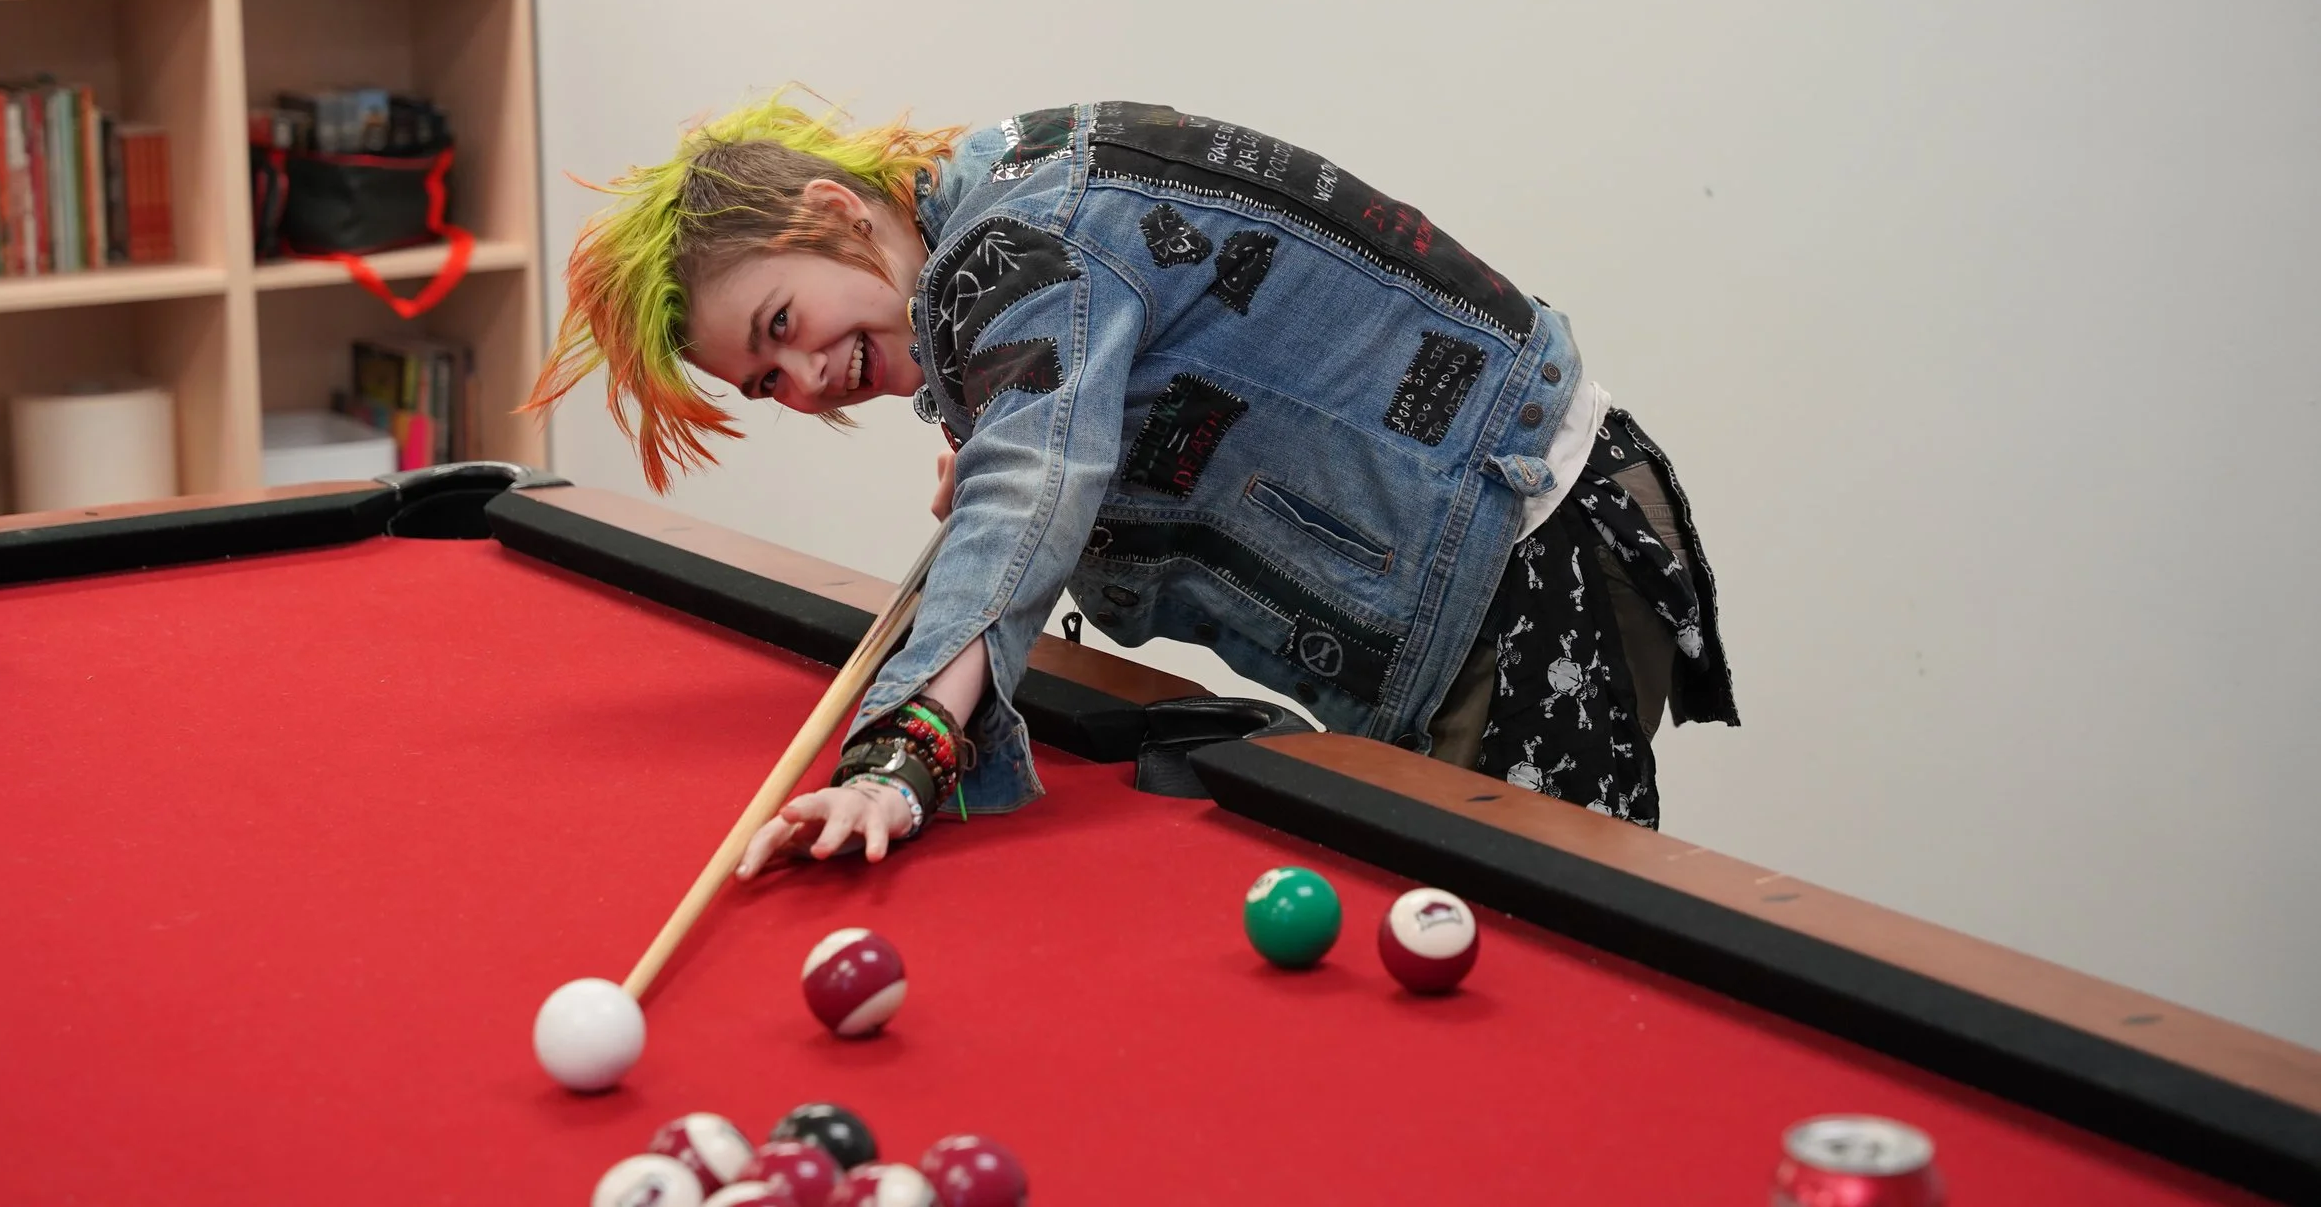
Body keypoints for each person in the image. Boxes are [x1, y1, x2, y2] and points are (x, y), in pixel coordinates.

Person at [527, 97, 1737, 878]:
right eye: (765, 378)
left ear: (836, 212)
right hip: (1498, 543)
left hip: (1527, 554)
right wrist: (1022, 418)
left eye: (782, 322)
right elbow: (1071, 410)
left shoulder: (1007, 247)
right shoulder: (1000, 191)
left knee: (1525, 979)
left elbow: (1029, 485)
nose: (805, 376)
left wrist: (902, 747)